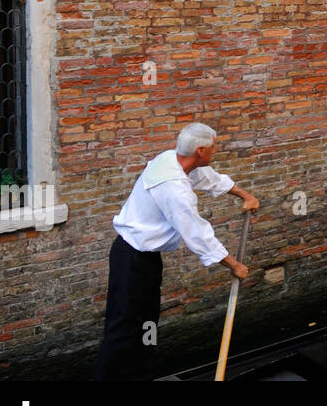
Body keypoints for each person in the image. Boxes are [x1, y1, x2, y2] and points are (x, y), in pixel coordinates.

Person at [94, 123, 259, 380]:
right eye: (214, 148)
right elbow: (197, 234)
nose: (215, 151)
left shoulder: (172, 160)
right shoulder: (174, 188)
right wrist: (234, 265)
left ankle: (139, 375)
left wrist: (243, 194)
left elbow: (206, 177)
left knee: (147, 323)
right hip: (132, 259)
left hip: (143, 258)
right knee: (123, 328)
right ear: (201, 151)